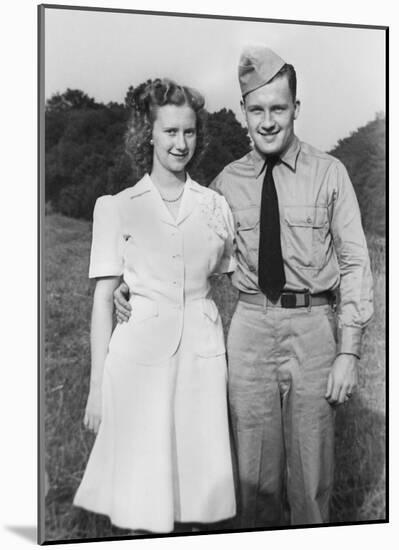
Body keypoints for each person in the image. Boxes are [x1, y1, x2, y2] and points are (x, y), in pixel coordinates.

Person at [114, 45, 374, 528]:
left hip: (315, 329)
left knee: (312, 479)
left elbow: (357, 262)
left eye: (278, 108)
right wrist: (132, 286)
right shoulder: (224, 186)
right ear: (244, 113)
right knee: (253, 482)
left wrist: (349, 352)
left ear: (296, 108)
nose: (268, 121)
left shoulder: (330, 174)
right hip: (250, 330)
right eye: (257, 110)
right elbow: (186, 251)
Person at [73, 78, 236, 534]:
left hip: (201, 362)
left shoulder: (215, 206)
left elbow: (227, 277)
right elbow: (104, 300)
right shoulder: (118, 207)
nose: (181, 143)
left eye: (189, 132)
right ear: (148, 134)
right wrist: (95, 390)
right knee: (141, 500)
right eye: (170, 132)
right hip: (137, 362)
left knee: (196, 497)